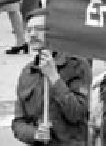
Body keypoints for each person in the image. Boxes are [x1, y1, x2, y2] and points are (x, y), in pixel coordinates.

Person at [12, 8, 91, 145]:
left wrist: (54, 77)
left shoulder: (77, 65)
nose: (32, 34)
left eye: (39, 29)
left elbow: (77, 113)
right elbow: (18, 123)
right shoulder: (28, 72)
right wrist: (35, 134)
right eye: (29, 30)